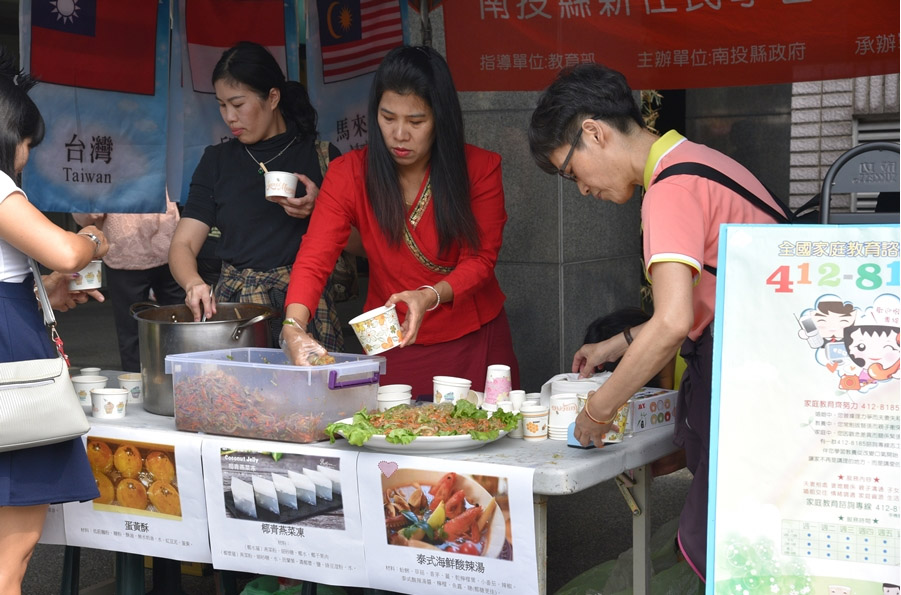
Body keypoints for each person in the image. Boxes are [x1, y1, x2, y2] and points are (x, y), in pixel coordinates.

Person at [528, 63, 787, 581]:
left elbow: (672, 322)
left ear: (594, 133)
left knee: (729, 556)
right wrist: (617, 344)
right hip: (775, 368)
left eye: (570, 173)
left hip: (754, 381)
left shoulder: (669, 189)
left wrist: (598, 411)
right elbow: (696, 296)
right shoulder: (696, 160)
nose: (580, 191)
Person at [281, 45, 519, 398]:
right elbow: (315, 257)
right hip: (391, 339)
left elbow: (481, 260)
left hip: (471, 335)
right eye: (388, 118)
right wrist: (293, 327)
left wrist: (428, 296)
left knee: (479, 438)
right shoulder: (349, 173)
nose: (399, 134)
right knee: (392, 440)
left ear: (441, 118)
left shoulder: (479, 169)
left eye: (416, 121)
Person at [0, 50, 110, 595]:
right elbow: (67, 253)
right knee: (9, 560)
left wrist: (41, 291)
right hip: (13, 375)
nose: (25, 158)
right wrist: (93, 239)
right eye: (26, 144)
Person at [168, 41, 343, 349]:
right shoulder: (217, 161)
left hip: (301, 311)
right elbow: (183, 243)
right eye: (222, 105)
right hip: (237, 313)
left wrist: (321, 209)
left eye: (238, 104)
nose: (229, 117)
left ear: (272, 97)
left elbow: (360, 242)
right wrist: (193, 282)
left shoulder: (320, 158)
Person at [73, 197, 185, 372]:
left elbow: (90, 213)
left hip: (126, 251)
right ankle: (181, 379)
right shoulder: (160, 167)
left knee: (131, 332)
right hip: (168, 244)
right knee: (178, 324)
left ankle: (135, 385)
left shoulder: (107, 169)